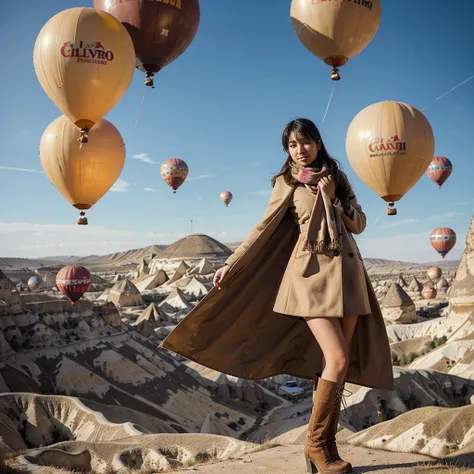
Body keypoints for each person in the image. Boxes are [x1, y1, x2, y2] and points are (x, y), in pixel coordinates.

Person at [160, 118, 394, 474]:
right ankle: (315, 445)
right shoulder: (287, 182)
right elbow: (262, 227)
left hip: (348, 277)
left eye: (305, 142)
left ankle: (326, 449)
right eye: (292, 145)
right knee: (338, 359)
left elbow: (358, 223)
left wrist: (335, 200)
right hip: (310, 278)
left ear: (318, 143)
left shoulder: (338, 179)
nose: (300, 151)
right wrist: (232, 262)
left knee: (331, 369)